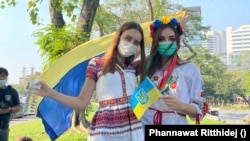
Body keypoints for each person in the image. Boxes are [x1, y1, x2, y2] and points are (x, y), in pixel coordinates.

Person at [33, 22, 146, 141]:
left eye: (136, 42)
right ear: (118, 37)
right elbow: (82, 102)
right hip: (106, 130)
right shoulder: (96, 63)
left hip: (133, 128)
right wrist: (50, 93)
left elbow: (161, 58)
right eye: (127, 38)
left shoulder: (134, 67)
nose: (131, 44)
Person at [142, 13, 208, 126]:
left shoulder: (189, 69)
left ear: (177, 42)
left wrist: (180, 105)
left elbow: (201, 109)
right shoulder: (148, 67)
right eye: (161, 39)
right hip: (144, 126)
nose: (167, 43)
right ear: (155, 42)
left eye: (172, 38)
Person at [0, 67, 21, 141]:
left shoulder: (12, 91)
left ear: (6, 77)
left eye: (3, 76)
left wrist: (9, 109)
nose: (1, 78)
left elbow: (18, 107)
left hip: (4, 127)